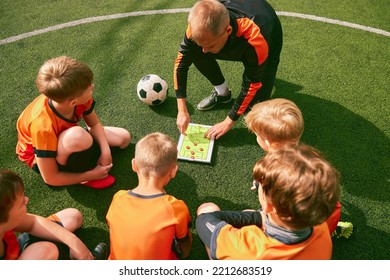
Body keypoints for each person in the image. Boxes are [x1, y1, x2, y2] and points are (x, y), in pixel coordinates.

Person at [196, 144, 341, 259]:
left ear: (268, 204)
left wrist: (258, 216)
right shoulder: (320, 226)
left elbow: (204, 221)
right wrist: (259, 216)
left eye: (261, 185)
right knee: (249, 213)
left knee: (207, 208)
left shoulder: (249, 247)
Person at [16, 56, 131, 189]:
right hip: (40, 155)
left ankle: (83, 147)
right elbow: (50, 178)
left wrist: (105, 151)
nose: (92, 87)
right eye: (89, 89)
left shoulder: (77, 97)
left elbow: (94, 124)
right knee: (77, 136)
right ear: (73, 103)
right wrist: (91, 175)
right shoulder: (42, 126)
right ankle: (82, 174)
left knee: (123, 139)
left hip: (66, 137)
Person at [244, 98, 353, 238]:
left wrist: (262, 185)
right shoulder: (310, 157)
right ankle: (329, 230)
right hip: (326, 214)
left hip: (297, 226)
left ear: (265, 141)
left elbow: (274, 210)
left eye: (256, 135)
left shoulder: (273, 171)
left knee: (248, 215)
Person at [174, 0, 283, 140]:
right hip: (235, 21)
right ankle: (222, 93)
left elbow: (251, 84)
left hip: (266, 28)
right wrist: (182, 110)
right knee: (195, 52)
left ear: (228, 31)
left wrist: (228, 121)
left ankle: (264, 73)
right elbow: (181, 63)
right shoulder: (196, 29)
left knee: (254, 110)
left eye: (210, 45)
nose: (204, 50)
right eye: (201, 43)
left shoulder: (256, 38)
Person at [106, 132, 192, 259]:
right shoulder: (175, 207)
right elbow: (184, 240)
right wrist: (184, 254)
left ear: (134, 165)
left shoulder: (118, 198)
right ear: (173, 171)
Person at [0, 169, 108, 260]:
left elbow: (32, 222)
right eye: (20, 204)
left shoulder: (4, 223)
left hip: (16, 252)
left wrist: (73, 241)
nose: (27, 200)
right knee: (45, 250)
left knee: (73, 217)